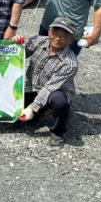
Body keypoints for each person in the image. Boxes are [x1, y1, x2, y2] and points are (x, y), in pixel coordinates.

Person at [18, 17, 79, 147]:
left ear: (71, 40)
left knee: (60, 101)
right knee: (19, 120)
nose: (58, 38)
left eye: (64, 36)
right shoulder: (38, 41)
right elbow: (18, 56)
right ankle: (38, 111)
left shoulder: (70, 63)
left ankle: (58, 132)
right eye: (55, 32)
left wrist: (32, 108)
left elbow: (50, 88)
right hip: (31, 87)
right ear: (49, 31)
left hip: (55, 91)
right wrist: (16, 45)